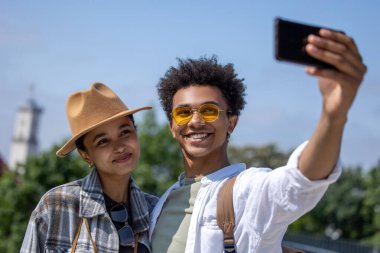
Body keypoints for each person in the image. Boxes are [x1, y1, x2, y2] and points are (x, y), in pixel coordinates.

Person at [149, 29, 367, 252]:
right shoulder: (161, 204)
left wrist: (333, 115)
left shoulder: (247, 191)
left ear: (231, 123)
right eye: (183, 113)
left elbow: (299, 183)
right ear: (172, 128)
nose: (195, 121)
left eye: (209, 110)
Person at [21, 82, 158, 253]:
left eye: (125, 132)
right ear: (85, 154)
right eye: (103, 142)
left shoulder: (156, 211)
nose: (120, 147)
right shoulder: (57, 206)